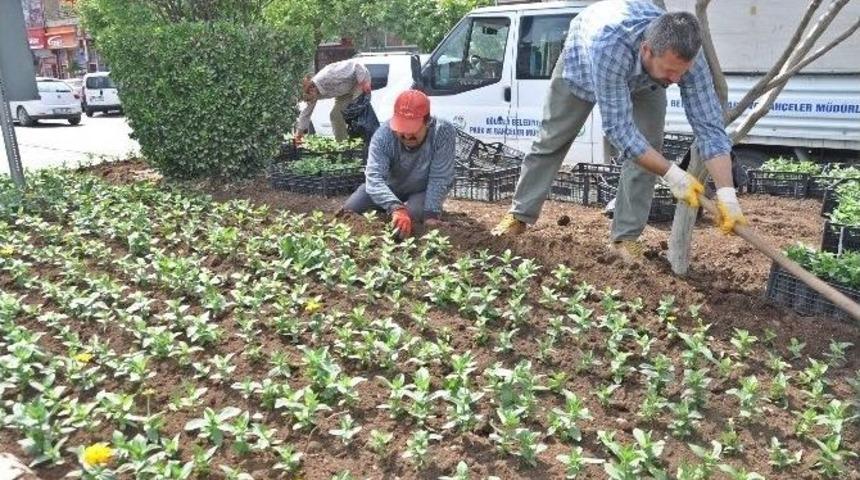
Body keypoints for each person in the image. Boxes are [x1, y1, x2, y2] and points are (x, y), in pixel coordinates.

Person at [491, 0, 746, 262]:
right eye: (671, 71)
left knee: (648, 147)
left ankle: (626, 238)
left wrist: (727, 195)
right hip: (582, 69)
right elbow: (620, 131)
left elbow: (710, 128)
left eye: (682, 72)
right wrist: (673, 175)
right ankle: (519, 214)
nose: (677, 80)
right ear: (647, 50)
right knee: (552, 139)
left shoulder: (688, 58)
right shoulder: (609, 44)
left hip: (647, 81)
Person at [340, 90, 456, 238]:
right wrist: (395, 207)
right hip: (390, 185)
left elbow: (440, 177)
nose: (407, 135)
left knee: (414, 216)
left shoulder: (443, 132)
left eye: (412, 130)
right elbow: (374, 178)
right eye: (402, 129)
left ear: (427, 122)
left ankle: (413, 211)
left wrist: (431, 215)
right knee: (351, 210)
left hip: (421, 189)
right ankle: (390, 208)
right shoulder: (383, 135)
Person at [295, 59, 372, 142]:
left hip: (359, 82)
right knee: (335, 116)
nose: (310, 101)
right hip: (345, 92)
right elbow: (306, 112)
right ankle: (343, 145)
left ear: (311, 89)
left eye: (309, 99)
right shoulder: (313, 94)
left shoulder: (328, 76)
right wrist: (299, 133)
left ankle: (368, 140)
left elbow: (357, 65)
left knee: (357, 113)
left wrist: (364, 82)